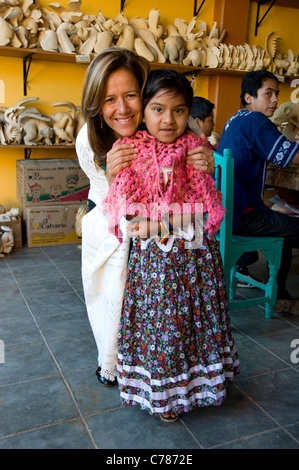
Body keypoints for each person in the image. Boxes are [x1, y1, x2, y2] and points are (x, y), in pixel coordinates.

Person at [103, 68, 240, 422]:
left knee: (195, 320)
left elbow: (206, 209)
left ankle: (199, 386)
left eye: (179, 110)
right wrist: (158, 222)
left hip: (196, 260)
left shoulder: (195, 149)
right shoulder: (129, 150)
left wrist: (159, 222)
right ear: (144, 111)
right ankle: (165, 395)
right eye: (158, 109)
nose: (168, 119)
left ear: (189, 113)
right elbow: (130, 221)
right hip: (155, 266)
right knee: (163, 325)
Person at [75, 47, 216, 387]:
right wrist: (113, 182)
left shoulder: (177, 131)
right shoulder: (89, 140)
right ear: (96, 105)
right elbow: (112, 204)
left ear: (147, 93)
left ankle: (170, 370)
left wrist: (206, 166)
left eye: (131, 96)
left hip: (166, 229)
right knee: (113, 294)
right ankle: (113, 363)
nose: (121, 109)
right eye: (109, 99)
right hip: (112, 216)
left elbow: (198, 189)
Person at [218, 70, 299, 306]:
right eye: (268, 93)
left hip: (227, 212)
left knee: (283, 228)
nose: (275, 99)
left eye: (277, 93)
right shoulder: (256, 121)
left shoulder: (236, 119)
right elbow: (291, 156)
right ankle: (281, 296)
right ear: (248, 97)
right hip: (244, 215)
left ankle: (280, 295)